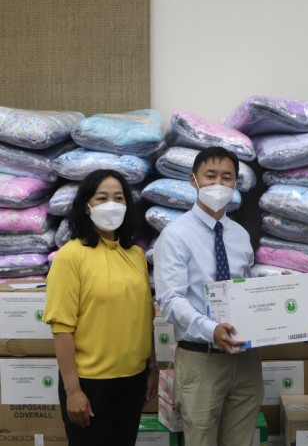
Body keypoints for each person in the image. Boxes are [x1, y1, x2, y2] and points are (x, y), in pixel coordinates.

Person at [153, 146, 263, 446]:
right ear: (194, 180)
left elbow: (246, 292)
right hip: (201, 359)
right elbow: (170, 301)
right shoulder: (175, 235)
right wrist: (211, 329)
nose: (218, 184)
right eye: (210, 176)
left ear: (235, 183)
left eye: (227, 177)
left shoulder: (240, 235)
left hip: (245, 358)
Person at [43, 169, 157, 446]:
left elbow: (145, 316)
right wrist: (73, 390)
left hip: (133, 380)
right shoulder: (70, 257)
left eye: (119, 198)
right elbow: (61, 328)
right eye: (102, 198)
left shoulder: (136, 255)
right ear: (87, 206)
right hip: (90, 384)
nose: (111, 205)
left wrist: (152, 367)